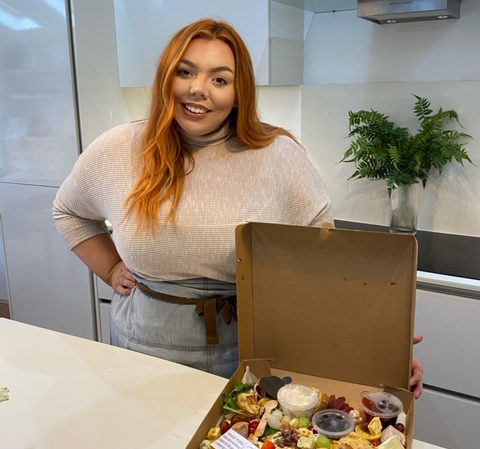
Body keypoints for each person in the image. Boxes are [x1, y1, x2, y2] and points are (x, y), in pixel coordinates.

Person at [53, 18, 423, 396]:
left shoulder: (277, 156)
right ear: (167, 76)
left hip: (251, 348)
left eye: (220, 79)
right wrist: (111, 267)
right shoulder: (119, 148)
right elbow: (69, 211)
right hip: (142, 343)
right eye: (186, 72)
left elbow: (324, 267)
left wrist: (382, 342)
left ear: (239, 91)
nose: (198, 90)